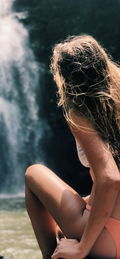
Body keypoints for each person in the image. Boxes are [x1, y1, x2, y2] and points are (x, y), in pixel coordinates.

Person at [25, 35, 120, 259]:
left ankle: (51, 256)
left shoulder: (81, 111)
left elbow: (111, 178)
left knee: (33, 173)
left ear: (66, 78)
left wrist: (81, 248)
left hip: (109, 237)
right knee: (60, 224)